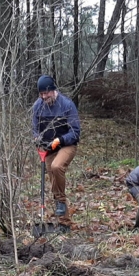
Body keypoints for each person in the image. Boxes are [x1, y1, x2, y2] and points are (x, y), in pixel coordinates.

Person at [31, 75, 80, 223]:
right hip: (48, 148)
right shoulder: (37, 107)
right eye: (41, 94)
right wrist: (37, 138)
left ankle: (60, 203)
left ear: (54, 90)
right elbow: (35, 129)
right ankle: (64, 221)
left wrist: (60, 139)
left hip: (66, 145)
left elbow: (75, 132)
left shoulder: (67, 105)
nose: (44, 96)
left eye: (47, 93)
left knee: (57, 166)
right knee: (54, 179)